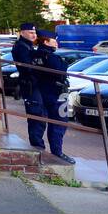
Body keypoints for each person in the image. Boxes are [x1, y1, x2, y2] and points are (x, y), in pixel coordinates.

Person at [32, 28, 75, 165]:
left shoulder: (35, 54)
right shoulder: (49, 56)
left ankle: (42, 150)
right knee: (60, 123)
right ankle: (57, 152)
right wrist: (65, 62)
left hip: (43, 93)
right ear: (46, 41)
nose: (56, 43)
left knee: (43, 123)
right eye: (54, 40)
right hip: (57, 95)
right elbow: (61, 70)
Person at [11, 23, 44, 149]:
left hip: (33, 84)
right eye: (31, 32)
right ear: (22, 33)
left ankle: (38, 144)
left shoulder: (28, 46)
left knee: (39, 117)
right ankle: (37, 146)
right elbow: (28, 67)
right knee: (36, 117)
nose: (34, 35)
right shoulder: (22, 47)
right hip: (30, 85)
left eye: (35, 33)